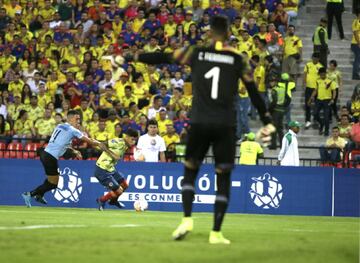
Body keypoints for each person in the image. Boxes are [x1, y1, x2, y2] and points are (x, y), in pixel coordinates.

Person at [128, 15, 274, 244]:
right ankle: (216, 233)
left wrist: (134, 55)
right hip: (225, 125)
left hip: (199, 121)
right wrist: (266, 118)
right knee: (223, 177)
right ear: (228, 33)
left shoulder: (195, 53)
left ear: (209, 32)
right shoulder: (238, 59)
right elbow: (254, 91)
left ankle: (187, 219)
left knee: (190, 171)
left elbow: (163, 56)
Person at [21, 110, 107, 207]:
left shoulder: (60, 126)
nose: (78, 121)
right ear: (70, 118)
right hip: (50, 157)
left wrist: (74, 151)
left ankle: (39, 194)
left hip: (45, 154)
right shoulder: (73, 130)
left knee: (51, 180)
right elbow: (89, 141)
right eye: (76, 118)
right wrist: (100, 143)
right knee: (53, 183)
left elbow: (61, 143)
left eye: (79, 119)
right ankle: (29, 194)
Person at [95, 128, 139, 210]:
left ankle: (113, 201)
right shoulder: (118, 142)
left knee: (125, 185)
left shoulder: (126, 145)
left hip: (110, 169)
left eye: (135, 140)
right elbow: (101, 145)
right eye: (132, 139)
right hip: (102, 169)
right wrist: (112, 155)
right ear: (126, 137)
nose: (133, 142)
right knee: (119, 191)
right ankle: (101, 200)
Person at [308, 67, 337, 136]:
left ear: (325, 74)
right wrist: (311, 98)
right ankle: (321, 123)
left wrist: (333, 99)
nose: (322, 75)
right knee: (315, 114)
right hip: (318, 100)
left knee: (326, 117)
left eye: (323, 74)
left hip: (327, 100)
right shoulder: (318, 81)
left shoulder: (330, 81)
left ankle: (326, 132)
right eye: (321, 74)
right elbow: (315, 90)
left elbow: (334, 91)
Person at [351, 9, 360, 80]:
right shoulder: (356, 22)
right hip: (356, 43)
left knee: (358, 59)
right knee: (357, 59)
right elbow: (355, 33)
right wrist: (359, 43)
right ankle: (355, 75)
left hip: (357, 43)